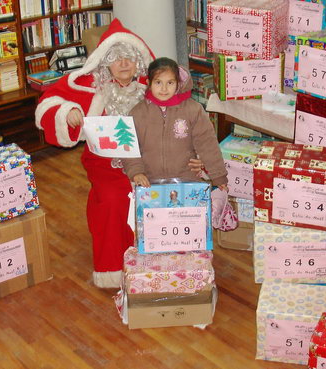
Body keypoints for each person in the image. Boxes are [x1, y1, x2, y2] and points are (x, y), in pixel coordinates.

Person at [35, 19, 154, 289]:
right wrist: (68, 111)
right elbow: (49, 101)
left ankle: (154, 262)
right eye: (116, 59)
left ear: (138, 62)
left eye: (129, 58)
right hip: (105, 165)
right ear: (105, 63)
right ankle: (113, 267)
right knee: (113, 200)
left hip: (149, 163)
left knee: (158, 196)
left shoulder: (151, 85)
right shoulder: (90, 84)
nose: (124, 64)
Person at [122, 57, 228, 192]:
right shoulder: (137, 112)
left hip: (187, 180)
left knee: (187, 213)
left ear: (178, 84)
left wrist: (218, 176)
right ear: (149, 83)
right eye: (158, 82)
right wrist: (136, 172)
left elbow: (207, 143)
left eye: (170, 83)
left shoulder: (193, 109)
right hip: (150, 182)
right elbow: (129, 146)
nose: (164, 89)